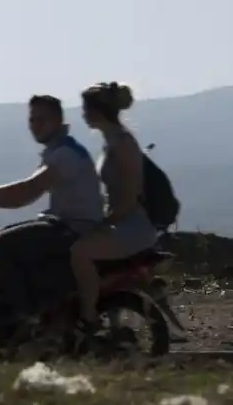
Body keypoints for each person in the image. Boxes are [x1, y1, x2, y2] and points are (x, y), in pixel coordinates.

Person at [0, 95, 105, 323]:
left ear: (58, 121)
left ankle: (25, 318)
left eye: (42, 120)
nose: (35, 125)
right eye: (32, 120)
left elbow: (25, 192)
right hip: (63, 224)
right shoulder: (59, 150)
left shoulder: (66, 155)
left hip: (75, 230)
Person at [70, 82, 157, 337]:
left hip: (132, 227)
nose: (83, 114)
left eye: (85, 109)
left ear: (97, 111)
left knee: (80, 252)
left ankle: (88, 317)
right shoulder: (112, 142)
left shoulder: (123, 143)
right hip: (121, 221)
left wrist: (105, 223)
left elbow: (129, 198)